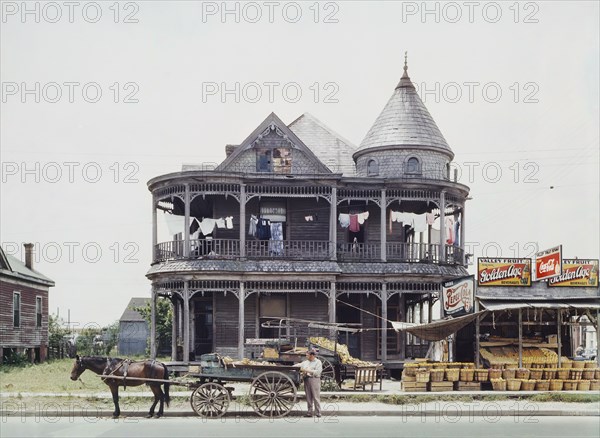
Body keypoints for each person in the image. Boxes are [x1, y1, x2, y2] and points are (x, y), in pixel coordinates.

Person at [298, 349, 322, 417]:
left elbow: (318, 372)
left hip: (314, 379)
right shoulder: (305, 362)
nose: (306, 356)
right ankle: (309, 412)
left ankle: (318, 412)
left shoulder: (318, 362)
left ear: (312, 355)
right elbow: (299, 365)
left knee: (316, 397)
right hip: (307, 379)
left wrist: (307, 370)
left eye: (307, 355)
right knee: (308, 397)